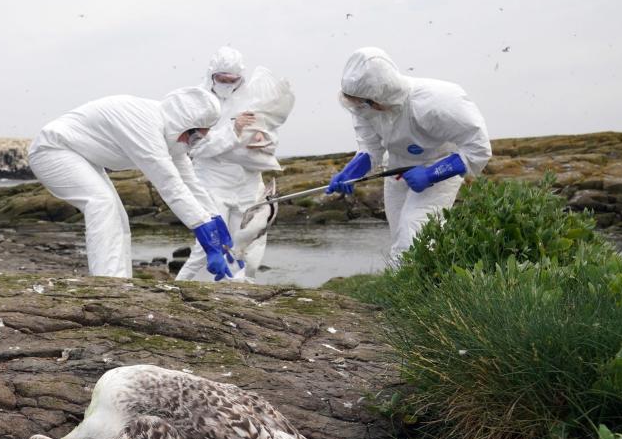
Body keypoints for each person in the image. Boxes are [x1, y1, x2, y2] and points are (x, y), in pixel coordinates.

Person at [28, 87, 234, 280]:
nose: (193, 143)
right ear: (183, 123)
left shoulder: (168, 135)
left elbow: (189, 182)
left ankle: (121, 282)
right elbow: (170, 185)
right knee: (102, 203)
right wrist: (206, 235)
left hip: (81, 156)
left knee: (119, 218)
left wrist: (215, 221)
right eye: (196, 136)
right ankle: (107, 284)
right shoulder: (145, 124)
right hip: (52, 150)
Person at [327, 47, 492, 263]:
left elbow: (478, 149)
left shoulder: (438, 102)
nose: (356, 107)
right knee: (399, 234)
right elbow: (370, 147)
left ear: (378, 95)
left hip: (440, 163)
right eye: (353, 101)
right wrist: (350, 172)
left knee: (413, 233)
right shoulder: (363, 107)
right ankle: (412, 288)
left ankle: (415, 291)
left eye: (360, 102)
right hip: (397, 168)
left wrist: (432, 174)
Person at [176, 47, 294, 282]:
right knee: (208, 243)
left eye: (233, 80)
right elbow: (197, 148)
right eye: (222, 79)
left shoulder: (252, 97)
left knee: (247, 242)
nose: (228, 85)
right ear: (212, 74)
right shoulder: (197, 101)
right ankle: (179, 289)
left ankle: (239, 291)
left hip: (247, 182)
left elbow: (270, 131)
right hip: (211, 180)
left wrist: (261, 139)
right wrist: (234, 130)